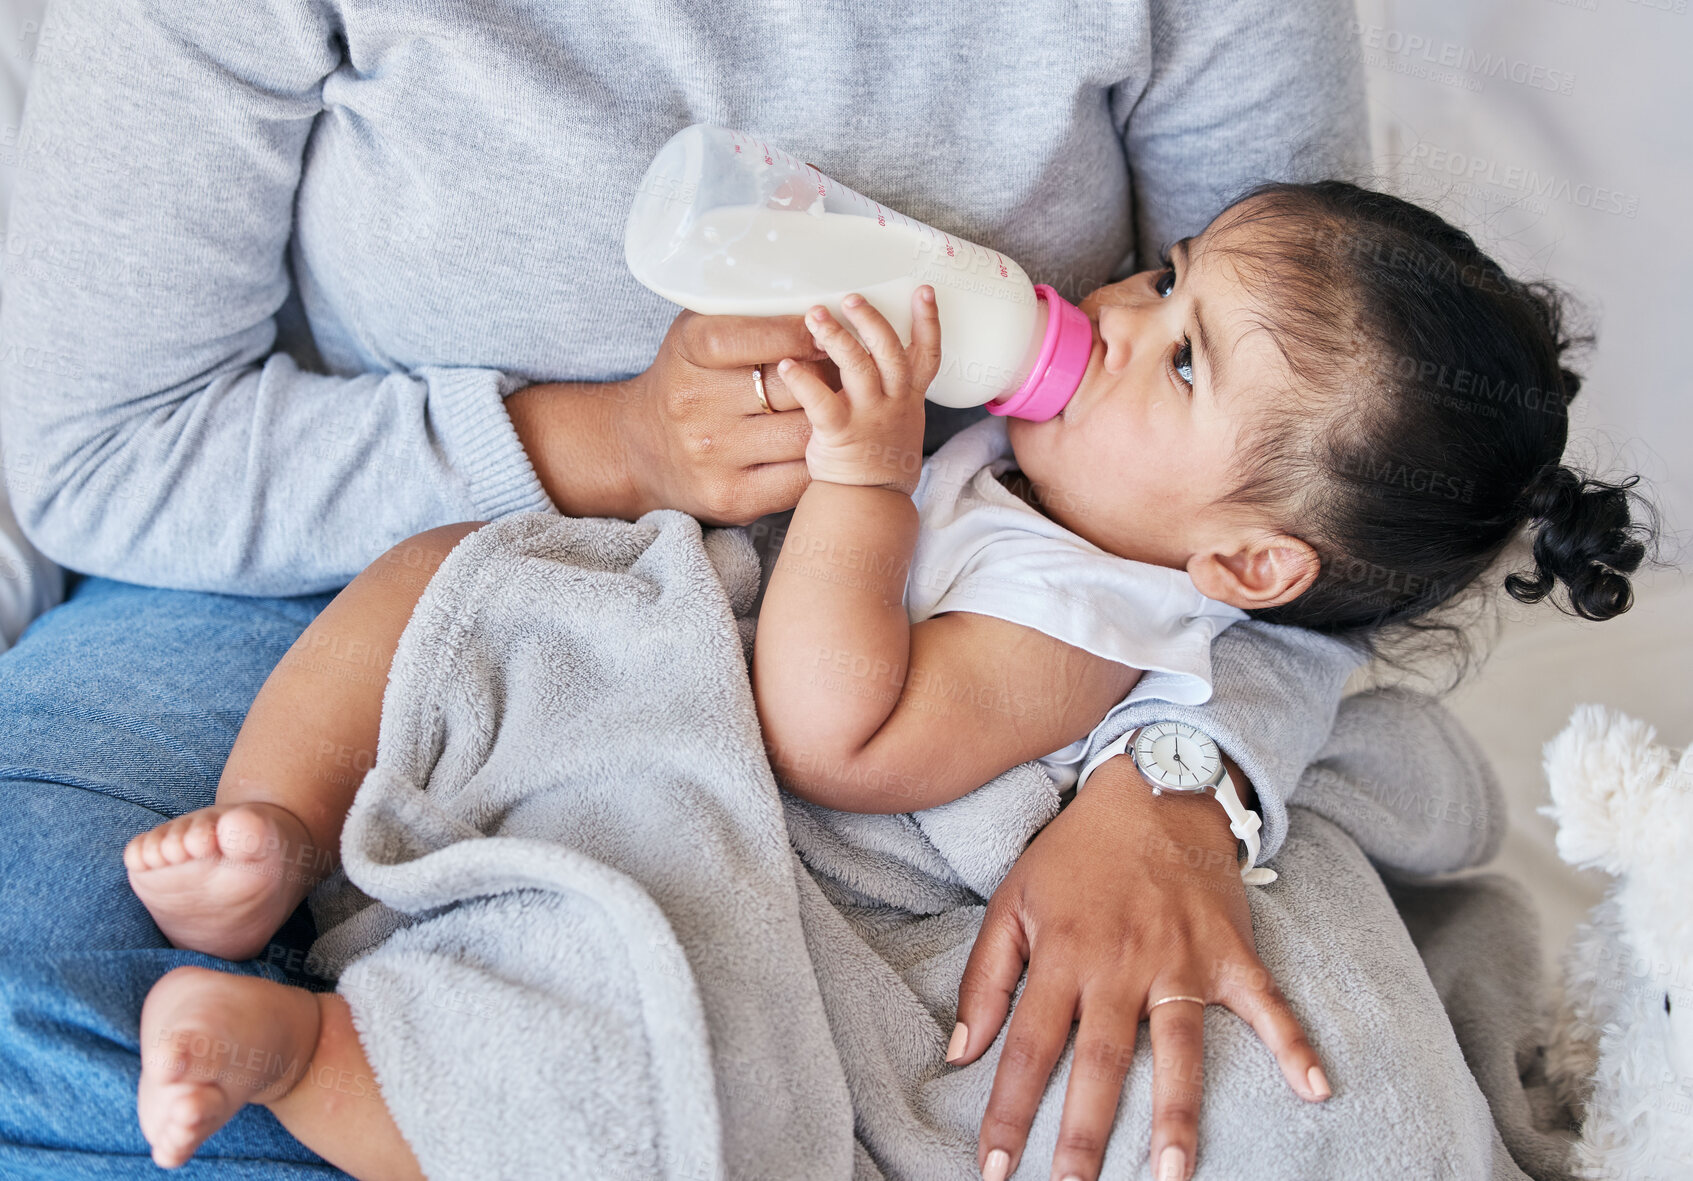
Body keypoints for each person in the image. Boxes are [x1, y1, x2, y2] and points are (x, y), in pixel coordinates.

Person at [0, 1, 1524, 1178]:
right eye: (1160, 273)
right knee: (52, 982)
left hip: (872, 695)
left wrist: (1181, 783)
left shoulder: (1128, 578)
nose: (1122, 308)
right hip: (321, 571)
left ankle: (348, 1062)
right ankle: (299, 887)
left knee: (1295, 1103)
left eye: (1172, 334)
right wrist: (609, 445)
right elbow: (103, 453)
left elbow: (1332, 486)